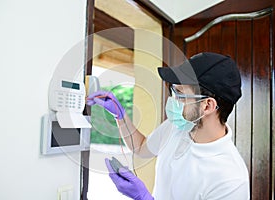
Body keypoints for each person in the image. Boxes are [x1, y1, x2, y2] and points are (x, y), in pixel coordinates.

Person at [87, 52, 250, 200]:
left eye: (180, 94)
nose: (172, 100)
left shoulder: (230, 180)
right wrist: (120, 116)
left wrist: (144, 198)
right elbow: (141, 147)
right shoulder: (178, 127)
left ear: (207, 106)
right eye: (173, 91)